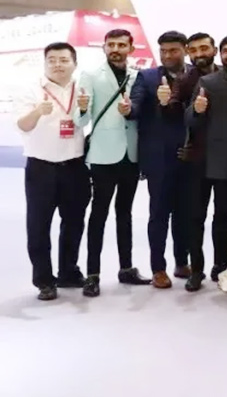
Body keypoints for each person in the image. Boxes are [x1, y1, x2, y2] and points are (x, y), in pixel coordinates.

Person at [79, 28, 150, 295]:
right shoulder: (90, 75)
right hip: (103, 155)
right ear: (104, 47)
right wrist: (82, 108)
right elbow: (82, 120)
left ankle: (126, 268)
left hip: (131, 155)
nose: (116, 49)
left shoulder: (138, 75)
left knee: (125, 213)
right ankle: (92, 274)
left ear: (131, 48)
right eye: (111, 45)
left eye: (121, 45)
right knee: (98, 214)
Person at [19, 42, 91, 301]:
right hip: (42, 167)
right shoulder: (32, 88)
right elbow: (23, 125)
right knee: (38, 226)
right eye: (52, 60)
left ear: (74, 63)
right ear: (45, 63)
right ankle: (44, 280)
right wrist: (38, 111)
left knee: (74, 223)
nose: (58, 65)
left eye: (63, 60)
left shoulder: (83, 88)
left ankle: (68, 272)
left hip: (75, 166)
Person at [184, 34, 227, 293]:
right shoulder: (208, 81)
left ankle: (223, 267)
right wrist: (197, 109)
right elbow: (190, 119)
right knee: (197, 218)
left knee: (224, 217)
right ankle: (196, 270)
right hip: (206, 160)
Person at [129, 30, 194, 288]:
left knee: (185, 213)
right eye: (163, 51)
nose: (167, 55)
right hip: (159, 159)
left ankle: (182, 261)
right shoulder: (147, 77)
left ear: (185, 50)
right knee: (159, 213)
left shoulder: (197, 74)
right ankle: (158, 267)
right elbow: (135, 105)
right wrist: (128, 109)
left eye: (173, 50)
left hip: (191, 156)